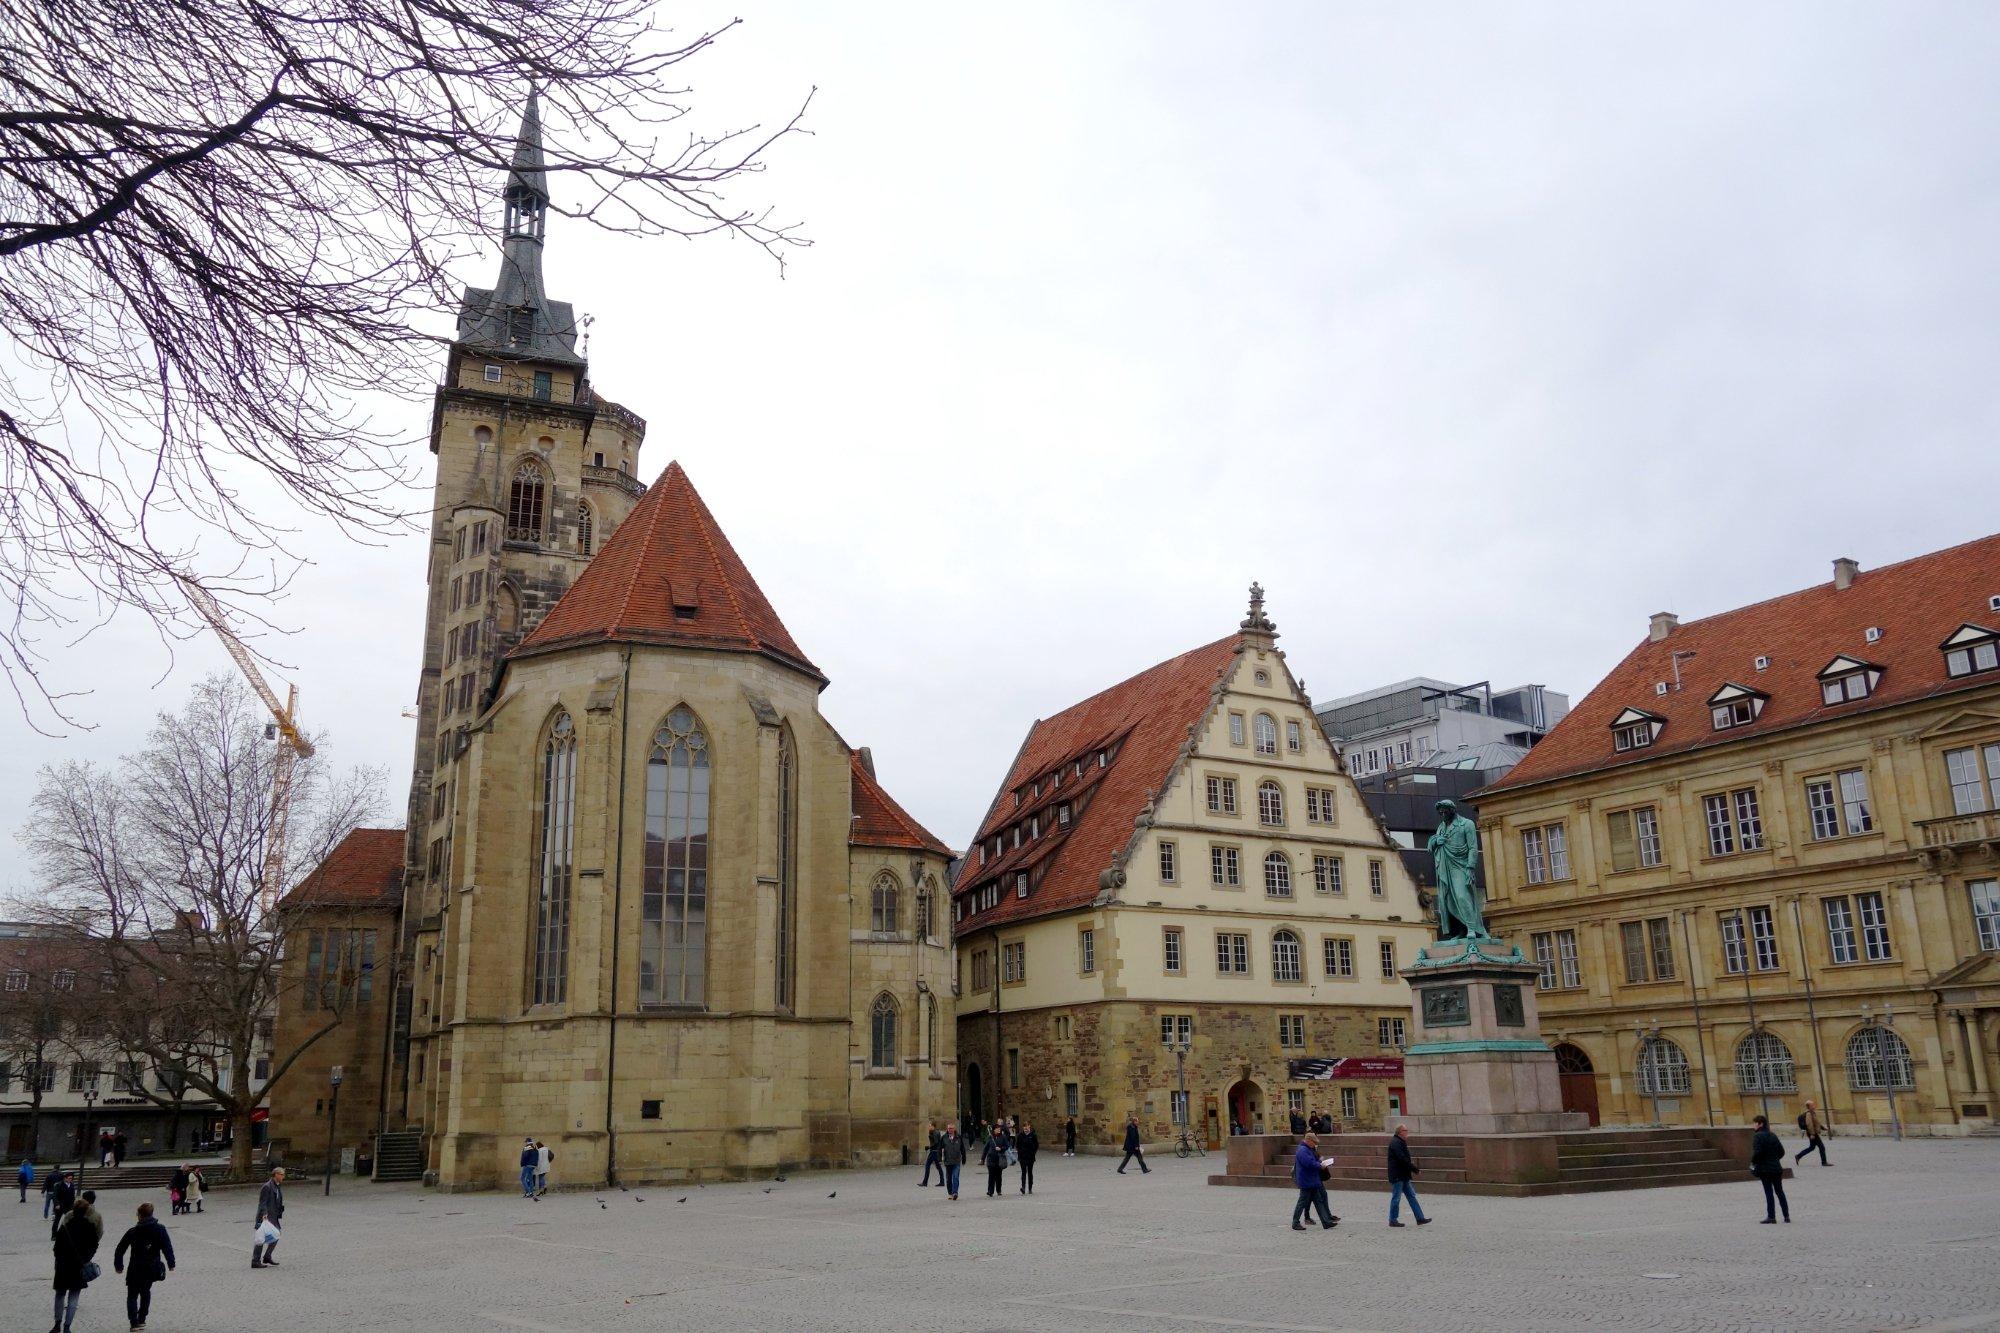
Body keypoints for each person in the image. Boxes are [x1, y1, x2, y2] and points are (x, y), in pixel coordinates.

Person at [114, 1200, 175, 1332]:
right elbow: (167, 1247)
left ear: (139, 1215)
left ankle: (134, 1322)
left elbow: (120, 1249)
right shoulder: (160, 1229)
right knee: (145, 1292)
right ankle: (142, 1318)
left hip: (135, 1266)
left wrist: (119, 1265)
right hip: (151, 1266)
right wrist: (171, 1263)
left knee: (132, 1295)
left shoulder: (133, 1231)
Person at [51, 1196, 101, 1333]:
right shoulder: (90, 1227)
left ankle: (57, 1324)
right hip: (79, 1265)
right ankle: (67, 1327)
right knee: (74, 1296)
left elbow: (56, 1247)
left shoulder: (65, 1227)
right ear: (86, 1211)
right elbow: (94, 1244)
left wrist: (59, 1259)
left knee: (60, 1294)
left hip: (63, 1264)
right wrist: (87, 1258)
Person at [1291, 1133, 1337, 1231]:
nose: (1315, 1144)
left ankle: (1326, 1222)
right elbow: (1309, 1163)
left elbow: (1312, 1161)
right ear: (1308, 1140)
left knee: (1318, 1201)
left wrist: (1320, 1162)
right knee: (1302, 1203)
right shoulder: (1303, 1150)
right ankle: (1295, 1223)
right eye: (1314, 1142)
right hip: (1307, 1181)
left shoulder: (1307, 1149)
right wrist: (1320, 1165)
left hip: (1312, 1180)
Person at [1386, 1126, 1430, 1228]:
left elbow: (1404, 1159)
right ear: (1400, 1132)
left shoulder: (1400, 1142)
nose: (1407, 1132)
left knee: (1411, 1196)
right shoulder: (1396, 1143)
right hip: (1398, 1175)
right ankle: (1392, 1220)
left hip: (1403, 1175)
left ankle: (1420, 1218)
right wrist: (1415, 1169)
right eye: (1406, 1130)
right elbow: (1402, 1159)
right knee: (1396, 1198)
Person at [1751, 1115, 1790, 1224]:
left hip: (1765, 1169)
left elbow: (1758, 1152)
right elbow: (1781, 1151)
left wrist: (1753, 1162)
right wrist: (1774, 1159)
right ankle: (1786, 1216)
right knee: (1780, 1191)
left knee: (1769, 1192)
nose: (1753, 1125)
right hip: (1776, 1168)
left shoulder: (1758, 1136)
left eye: (1755, 1123)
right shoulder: (1772, 1135)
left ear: (1760, 1124)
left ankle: (1771, 1216)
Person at [252, 1167, 285, 1268]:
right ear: (276, 1175)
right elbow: (262, 1202)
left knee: (276, 1234)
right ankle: (255, 1261)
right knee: (261, 1238)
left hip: (273, 1216)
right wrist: (264, 1213)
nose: (283, 1176)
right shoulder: (267, 1186)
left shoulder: (277, 1186)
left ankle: (267, 1256)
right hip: (265, 1217)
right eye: (281, 1174)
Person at [1794, 1100, 1829, 1167]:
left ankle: (1798, 1156)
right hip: (1813, 1133)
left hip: (1812, 1133)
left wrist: (1823, 1128)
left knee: (1812, 1147)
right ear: (1809, 1106)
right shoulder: (1809, 1114)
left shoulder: (1812, 1113)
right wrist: (1812, 1134)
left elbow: (1816, 1123)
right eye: (1812, 1105)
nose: (1814, 1106)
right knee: (1821, 1147)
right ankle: (1824, 1162)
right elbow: (1809, 1124)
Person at [939, 1123, 965, 1201]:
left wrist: (964, 1158)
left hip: (957, 1161)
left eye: (951, 1128)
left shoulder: (959, 1137)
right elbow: (940, 1148)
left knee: (956, 1177)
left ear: (954, 1129)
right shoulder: (944, 1138)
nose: (950, 1130)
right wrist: (939, 1158)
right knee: (948, 1178)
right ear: (947, 1129)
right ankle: (950, 1192)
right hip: (948, 1161)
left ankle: (955, 1193)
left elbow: (962, 1148)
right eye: (949, 1128)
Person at [981, 1126, 1008, 1198]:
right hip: (991, 1159)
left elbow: (1007, 1146)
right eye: (997, 1129)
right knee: (991, 1176)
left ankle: (998, 1190)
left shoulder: (1003, 1137)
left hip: (999, 1159)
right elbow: (986, 1148)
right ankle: (990, 1191)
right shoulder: (990, 1137)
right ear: (994, 1130)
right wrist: (982, 1158)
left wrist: (1001, 1148)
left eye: (999, 1129)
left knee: (998, 1176)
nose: (999, 1130)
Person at [48, 1173, 77, 1240]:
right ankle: (54, 1235)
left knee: (71, 1220)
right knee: (56, 1221)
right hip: (60, 1205)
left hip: (69, 1206)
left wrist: (73, 1204)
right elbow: (55, 1196)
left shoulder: (72, 1185)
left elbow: (72, 1196)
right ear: (65, 1178)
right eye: (69, 1178)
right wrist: (57, 1204)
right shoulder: (58, 1185)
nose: (70, 1180)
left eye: (71, 1178)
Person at [1016, 1120, 1039, 1195]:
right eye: (1024, 1126)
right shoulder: (1020, 1135)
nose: (1026, 1128)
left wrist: (1033, 1153)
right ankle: (1023, 1187)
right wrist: (1020, 1153)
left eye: (1027, 1126)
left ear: (1029, 1126)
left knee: (1030, 1172)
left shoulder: (1033, 1135)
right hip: (1022, 1157)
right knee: (1023, 1172)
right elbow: (1017, 1146)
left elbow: (1036, 1145)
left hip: (1030, 1157)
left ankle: (1030, 1188)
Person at [919, 1121, 944, 1187]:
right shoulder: (936, 1132)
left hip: (934, 1151)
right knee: (938, 1167)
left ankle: (925, 1182)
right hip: (936, 1151)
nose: (929, 1127)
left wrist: (929, 1147)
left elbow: (936, 1142)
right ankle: (942, 1181)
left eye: (930, 1126)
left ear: (933, 1126)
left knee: (927, 1165)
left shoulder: (935, 1133)